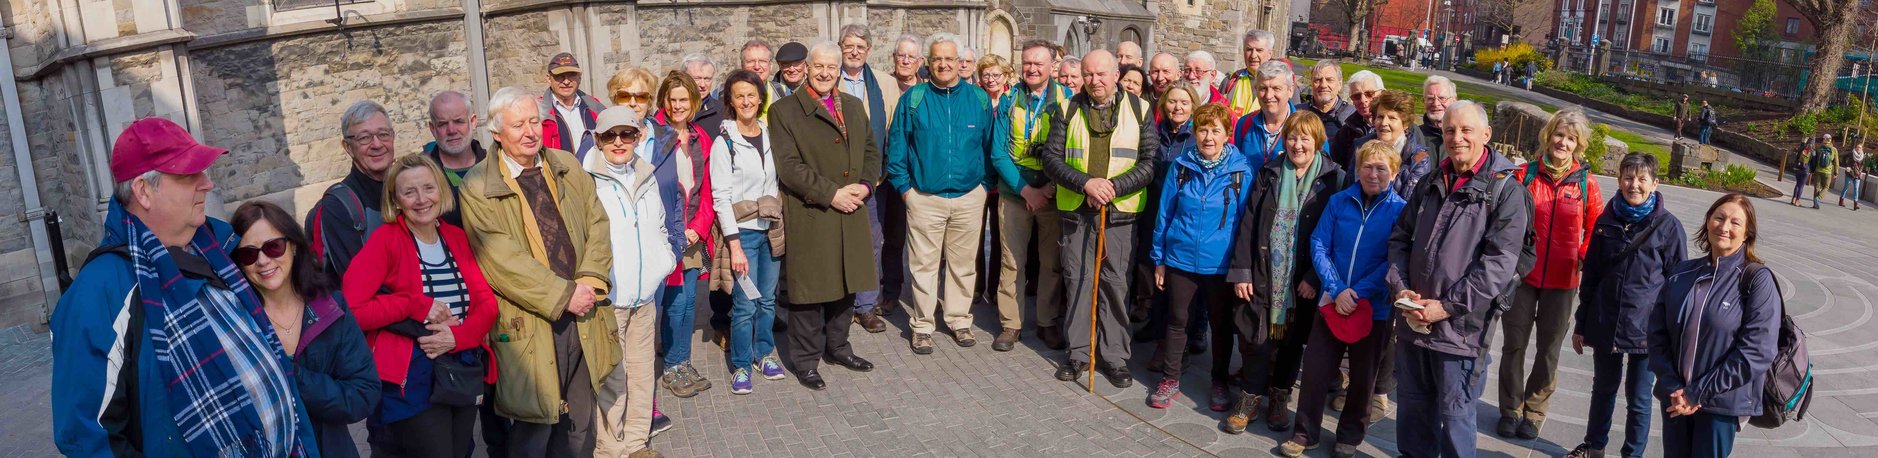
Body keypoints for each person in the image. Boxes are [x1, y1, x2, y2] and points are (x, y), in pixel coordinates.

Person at [54, 117, 318, 456]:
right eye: (188, 174)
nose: (206, 184)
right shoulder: (99, 291)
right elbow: (88, 436)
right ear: (144, 191)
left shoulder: (217, 248)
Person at [460, 86, 619, 456]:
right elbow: (501, 261)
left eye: (535, 121)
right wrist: (564, 295)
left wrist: (590, 282)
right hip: (531, 320)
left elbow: (598, 224)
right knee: (536, 428)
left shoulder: (567, 165)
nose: (530, 131)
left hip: (583, 308)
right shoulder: (478, 186)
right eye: (518, 125)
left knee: (581, 419)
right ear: (496, 134)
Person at [1386, 100, 1533, 457]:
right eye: (1450, 130)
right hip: (1414, 320)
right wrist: (1401, 287)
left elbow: (1498, 265)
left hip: (1462, 330)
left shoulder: (1506, 191)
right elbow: (1399, 239)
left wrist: (1446, 307)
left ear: (1486, 134)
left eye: (1466, 130)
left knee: (1455, 419)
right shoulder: (1433, 179)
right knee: (1413, 412)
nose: (1457, 138)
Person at [343, 154, 500, 458]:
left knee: (461, 451)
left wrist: (459, 337)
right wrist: (414, 304)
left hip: (460, 367)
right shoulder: (385, 240)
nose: (421, 199)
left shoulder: (455, 237)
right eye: (409, 192)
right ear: (396, 200)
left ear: (440, 190)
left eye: (428, 188)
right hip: (413, 376)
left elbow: (486, 304)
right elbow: (352, 309)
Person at [1280, 140, 1409, 458]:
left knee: (1363, 377)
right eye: (1367, 166)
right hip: (1332, 301)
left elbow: (1393, 259)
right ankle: (1304, 432)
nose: (1373, 173)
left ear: (1393, 172)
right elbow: (1319, 243)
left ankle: (1349, 436)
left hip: (1373, 307)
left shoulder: (1400, 210)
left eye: (1381, 168)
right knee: (1315, 370)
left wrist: (1359, 292)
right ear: (1357, 168)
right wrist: (1337, 289)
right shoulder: (1339, 201)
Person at [1040, 49, 1160, 388]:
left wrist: (1113, 187)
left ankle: (1115, 357)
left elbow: (1150, 162)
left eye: (1102, 74)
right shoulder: (1066, 109)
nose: (1095, 81)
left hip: (1120, 214)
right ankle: (1079, 354)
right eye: (1089, 74)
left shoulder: (1140, 109)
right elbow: (1051, 158)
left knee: (1116, 284)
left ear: (1117, 75)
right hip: (1077, 211)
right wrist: (1085, 183)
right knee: (1078, 279)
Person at [1225, 111, 1347, 433]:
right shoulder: (1270, 172)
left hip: (1303, 280)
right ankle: (1249, 398)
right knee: (1257, 337)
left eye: (1305, 138)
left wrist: (1312, 277)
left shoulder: (1334, 180)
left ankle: (1279, 398)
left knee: (1293, 343)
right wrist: (1242, 272)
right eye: (1292, 137)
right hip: (1266, 273)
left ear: (1318, 141)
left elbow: (1335, 237)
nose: (1297, 144)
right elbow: (1249, 222)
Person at [770, 40, 881, 390]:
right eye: (819, 66)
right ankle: (805, 360)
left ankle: (838, 346)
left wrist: (865, 186)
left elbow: (870, 151)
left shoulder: (851, 104)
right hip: (814, 212)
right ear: (806, 67)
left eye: (832, 67)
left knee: (846, 286)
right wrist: (831, 194)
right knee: (809, 292)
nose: (825, 72)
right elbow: (789, 168)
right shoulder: (785, 111)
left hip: (852, 208)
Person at [231, 201, 380, 458]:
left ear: (294, 246)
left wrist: (292, 376)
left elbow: (363, 394)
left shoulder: (330, 308)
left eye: (273, 247)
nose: (263, 261)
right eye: (249, 254)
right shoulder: (236, 322)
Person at [1563, 153, 1686, 458]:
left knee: (1639, 398)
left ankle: (1632, 454)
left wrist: (1672, 334)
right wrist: (1581, 323)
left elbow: (1678, 285)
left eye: (1642, 179)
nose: (1634, 185)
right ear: (1619, 181)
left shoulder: (1669, 228)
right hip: (1606, 322)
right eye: (1628, 178)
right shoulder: (1606, 220)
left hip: (1647, 331)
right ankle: (1594, 447)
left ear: (1654, 184)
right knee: (1602, 389)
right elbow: (1590, 274)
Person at [1498, 108, 1607, 440]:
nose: (1563, 142)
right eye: (1559, 134)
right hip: (1522, 276)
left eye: (1570, 138)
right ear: (1548, 136)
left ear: (1578, 145)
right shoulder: (1523, 176)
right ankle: (1510, 409)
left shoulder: (1587, 184)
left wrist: (1582, 256)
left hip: (1562, 280)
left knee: (1548, 350)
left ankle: (1534, 410)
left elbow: (1596, 230)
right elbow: (1505, 218)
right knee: (1514, 345)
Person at [886, 33, 996, 354]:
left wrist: (984, 187)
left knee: (963, 264)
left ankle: (959, 319)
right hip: (924, 197)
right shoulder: (915, 99)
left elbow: (990, 148)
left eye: (951, 59)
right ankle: (922, 324)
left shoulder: (977, 100)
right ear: (928, 62)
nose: (944, 64)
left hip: (968, 196)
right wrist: (906, 191)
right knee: (924, 264)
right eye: (937, 59)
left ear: (961, 63)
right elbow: (897, 149)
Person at [1650, 193, 1781, 458]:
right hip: (1676, 399)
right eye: (1719, 217)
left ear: (1746, 234)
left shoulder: (1757, 280)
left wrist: (1697, 393)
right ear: (1708, 221)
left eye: (1735, 222)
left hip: (1720, 405)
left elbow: (1757, 351)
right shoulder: (1682, 273)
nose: (1724, 227)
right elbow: (1656, 335)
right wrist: (1673, 385)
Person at [1145, 103, 1254, 409]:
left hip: (1219, 264)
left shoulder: (1241, 172)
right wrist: (1160, 259)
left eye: (1215, 130)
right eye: (1203, 130)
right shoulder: (1180, 167)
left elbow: (1246, 222)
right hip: (1179, 259)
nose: (1208, 137)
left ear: (1227, 135)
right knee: (1178, 320)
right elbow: (1164, 214)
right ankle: (1170, 378)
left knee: (1220, 325)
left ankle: (1218, 381)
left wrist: (1241, 267)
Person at [585, 106, 675, 458]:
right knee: (612, 380)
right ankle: (609, 449)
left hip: (644, 295)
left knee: (641, 375)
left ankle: (637, 443)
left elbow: (661, 224)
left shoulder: (646, 173)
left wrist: (663, 260)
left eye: (627, 134)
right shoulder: (585, 179)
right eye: (610, 136)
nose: (619, 142)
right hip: (610, 299)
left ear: (639, 137)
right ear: (598, 139)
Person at [707, 70, 790, 394]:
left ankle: (764, 353)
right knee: (744, 304)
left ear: (760, 98)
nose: (746, 101)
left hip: (771, 228)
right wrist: (735, 245)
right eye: (739, 95)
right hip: (743, 234)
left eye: (751, 95)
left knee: (768, 300)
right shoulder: (724, 143)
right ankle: (741, 365)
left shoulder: (771, 134)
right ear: (730, 100)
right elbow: (721, 198)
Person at [990, 39, 1073, 351]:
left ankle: (1047, 322)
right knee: (1012, 262)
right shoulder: (1010, 99)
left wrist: (1047, 189)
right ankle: (1011, 324)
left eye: (1039, 63)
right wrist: (1026, 190)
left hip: (1053, 195)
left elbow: (1071, 150)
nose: (1032, 69)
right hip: (1015, 194)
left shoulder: (1067, 99)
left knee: (1051, 263)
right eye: (1027, 63)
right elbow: (998, 153)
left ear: (1052, 67)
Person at [649, 70, 719, 398]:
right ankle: (673, 366)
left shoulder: (699, 138)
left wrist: (699, 228)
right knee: (674, 303)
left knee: (690, 300)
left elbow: (707, 190)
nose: (678, 106)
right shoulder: (653, 137)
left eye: (684, 100)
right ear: (663, 101)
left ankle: (683, 360)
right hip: (666, 234)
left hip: (692, 232)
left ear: (693, 102)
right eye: (672, 99)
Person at [836, 24, 906, 332]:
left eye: (860, 47)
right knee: (835, 244)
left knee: (870, 242)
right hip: (834, 180)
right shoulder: (827, 77)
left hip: (873, 180)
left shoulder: (885, 84)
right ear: (840, 48)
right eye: (848, 46)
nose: (854, 52)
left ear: (869, 51)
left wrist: (882, 172)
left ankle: (865, 305)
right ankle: (837, 303)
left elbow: (893, 129)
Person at [1132, 80, 1211, 352]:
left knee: (1185, 277)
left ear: (1193, 106)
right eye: (1172, 101)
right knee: (1155, 267)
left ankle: (1192, 331)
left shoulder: (1197, 136)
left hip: (1186, 212)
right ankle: (1155, 324)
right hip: (1154, 207)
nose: (1177, 107)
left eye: (1184, 102)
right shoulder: (1154, 132)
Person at [307, 100, 395, 281]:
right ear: (348, 147)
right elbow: (360, 280)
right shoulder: (338, 206)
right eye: (364, 138)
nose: (377, 144)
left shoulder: (407, 190)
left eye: (383, 134)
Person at [425, 91, 489, 227]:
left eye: (458, 121)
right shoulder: (423, 176)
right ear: (432, 128)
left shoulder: (497, 165)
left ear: (473, 122)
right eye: (442, 124)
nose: (451, 130)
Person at [1351, 90, 1431, 196]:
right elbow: (1349, 189)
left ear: (1405, 124)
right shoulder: (1360, 147)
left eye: (1392, 118)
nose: (1384, 123)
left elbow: (1408, 203)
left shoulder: (1419, 159)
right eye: (1380, 117)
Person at [1232, 61, 1302, 172]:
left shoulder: (1307, 128)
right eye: (1263, 88)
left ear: (1290, 90)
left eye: (1276, 88)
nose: (1268, 96)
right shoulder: (1244, 124)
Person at [541, 52, 605, 162]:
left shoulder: (595, 106)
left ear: (579, 77)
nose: (566, 81)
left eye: (571, 75)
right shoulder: (539, 112)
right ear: (548, 78)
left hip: (594, 173)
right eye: (559, 76)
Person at [1328, 70, 1386, 171]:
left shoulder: (1400, 127)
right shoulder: (1346, 132)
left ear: (1382, 93)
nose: (1363, 100)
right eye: (1357, 96)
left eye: (1369, 94)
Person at [1221, 29, 1278, 120]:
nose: (1253, 55)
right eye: (1249, 49)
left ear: (1270, 54)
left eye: (1259, 50)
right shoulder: (1230, 81)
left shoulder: (1282, 83)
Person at [1302, 60, 1356, 154]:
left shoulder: (1353, 116)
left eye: (1329, 80)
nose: (1323, 85)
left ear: (1340, 84)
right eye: (1317, 80)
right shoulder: (1298, 113)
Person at [1418, 76, 1457, 163]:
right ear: (1424, 101)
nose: (1436, 104)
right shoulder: (1414, 135)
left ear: (1454, 101)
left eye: (1442, 98)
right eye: (1430, 99)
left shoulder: (1463, 137)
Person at [1808, 133, 1839, 209]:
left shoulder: (1819, 148)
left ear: (1824, 140)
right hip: (1827, 172)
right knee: (1826, 187)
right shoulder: (1834, 150)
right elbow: (1836, 163)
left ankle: (1815, 204)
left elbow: (1814, 159)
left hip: (1818, 170)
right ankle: (1819, 198)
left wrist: (1812, 169)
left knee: (1817, 187)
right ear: (1830, 140)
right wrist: (1836, 172)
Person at [1845, 143, 1868, 210]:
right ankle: (1841, 200)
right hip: (1850, 172)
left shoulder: (1863, 156)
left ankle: (1855, 204)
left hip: (1857, 174)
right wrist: (1847, 167)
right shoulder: (1852, 154)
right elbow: (1847, 161)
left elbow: (1863, 165)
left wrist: (1860, 171)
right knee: (1845, 187)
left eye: (1860, 147)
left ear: (1862, 149)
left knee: (1856, 189)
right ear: (1855, 148)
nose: (1858, 148)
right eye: (1857, 147)